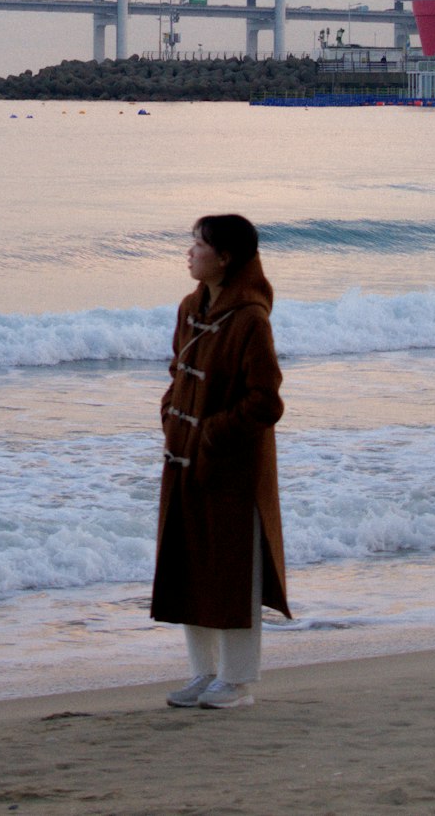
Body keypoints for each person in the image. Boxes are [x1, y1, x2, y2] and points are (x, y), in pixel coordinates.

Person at [151, 214, 291, 709]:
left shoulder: (250, 317)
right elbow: (178, 371)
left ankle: (237, 681)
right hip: (183, 458)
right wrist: (171, 414)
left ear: (225, 257)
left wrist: (212, 434)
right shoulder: (191, 306)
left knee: (235, 571)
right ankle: (203, 673)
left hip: (231, 466)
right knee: (190, 565)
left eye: (199, 244)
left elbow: (266, 401)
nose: (190, 252)